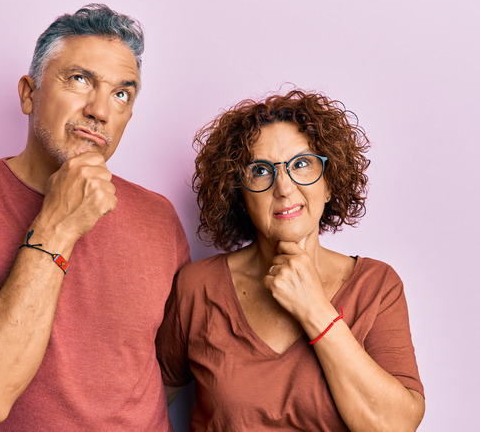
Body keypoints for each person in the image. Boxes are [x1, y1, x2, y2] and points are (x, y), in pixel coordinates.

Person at [0, 4, 190, 431]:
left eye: (121, 93)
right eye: (79, 80)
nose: (100, 110)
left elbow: (167, 371)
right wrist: (60, 223)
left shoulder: (159, 216)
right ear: (29, 93)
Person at [156, 90, 425, 430]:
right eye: (260, 170)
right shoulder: (198, 286)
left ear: (329, 184)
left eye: (301, 164)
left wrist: (314, 308)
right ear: (239, 194)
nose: (283, 187)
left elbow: (396, 426)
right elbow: (146, 400)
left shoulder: (377, 286)